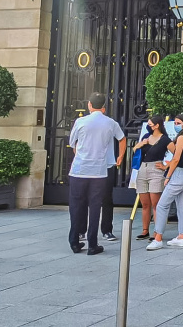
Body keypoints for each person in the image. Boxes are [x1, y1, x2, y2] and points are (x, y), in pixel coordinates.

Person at [68, 93, 125, 255]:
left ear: (89, 105)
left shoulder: (80, 121)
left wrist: (81, 155)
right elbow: (122, 138)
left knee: (76, 206)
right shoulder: (110, 123)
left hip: (79, 170)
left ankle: (75, 241)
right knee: (95, 207)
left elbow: (73, 143)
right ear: (104, 107)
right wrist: (120, 157)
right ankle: (93, 244)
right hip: (99, 172)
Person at [147, 114, 183, 250]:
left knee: (162, 206)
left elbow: (176, 159)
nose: (175, 125)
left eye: (178, 122)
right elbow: (182, 159)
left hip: (178, 176)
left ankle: (158, 238)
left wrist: (168, 176)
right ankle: (181, 236)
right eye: (175, 122)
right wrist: (166, 167)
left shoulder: (181, 138)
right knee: (182, 207)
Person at [132, 115, 171, 240]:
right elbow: (135, 150)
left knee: (155, 203)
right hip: (143, 168)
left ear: (157, 125)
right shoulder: (145, 137)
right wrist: (140, 144)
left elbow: (176, 153)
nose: (149, 126)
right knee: (145, 203)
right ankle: (145, 230)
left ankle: (157, 231)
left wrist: (166, 166)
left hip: (156, 169)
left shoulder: (164, 139)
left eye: (150, 124)